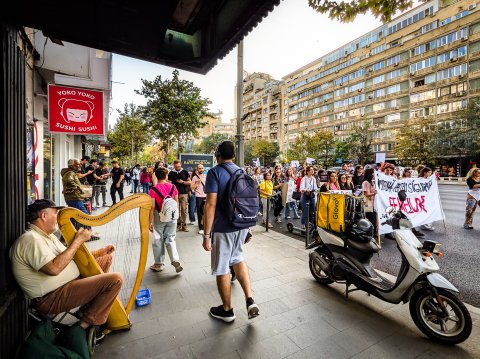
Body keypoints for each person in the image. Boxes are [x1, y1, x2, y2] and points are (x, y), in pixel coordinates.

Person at [10, 199, 122, 338]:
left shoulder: (48, 236)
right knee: (116, 279)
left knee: (106, 259)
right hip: (52, 297)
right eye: (55, 213)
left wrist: (101, 252)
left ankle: (92, 307)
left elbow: (70, 257)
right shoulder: (31, 240)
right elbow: (54, 269)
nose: (58, 217)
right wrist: (78, 240)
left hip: (67, 286)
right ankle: (84, 326)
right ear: (44, 216)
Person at [202, 140, 259, 322]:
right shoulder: (241, 172)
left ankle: (227, 310)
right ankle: (250, 299)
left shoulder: (214, 172)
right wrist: (247, 227)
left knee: (222, 268)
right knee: (238, 258)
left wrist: (206, 235)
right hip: (241, 225)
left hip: (223, 228)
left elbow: (210, 204)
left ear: (217, 154)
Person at [148, 167, 183, 273]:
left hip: (159, 217)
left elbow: (152, 207)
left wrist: (150, 221)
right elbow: (176, 203)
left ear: (156, 176)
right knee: (170, 238)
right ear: (166, 176)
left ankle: (159, 264)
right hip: (172, 216)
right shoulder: (173, 187)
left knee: (158, 239)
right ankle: (175, 259)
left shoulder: (153, 190)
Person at [168, 160, 191, 232]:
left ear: (181, 165)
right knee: (176, 209)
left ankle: (184, 225)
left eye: (179, 166)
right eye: (176, 166)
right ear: (174, 165)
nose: (178, 167)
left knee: (184, 209)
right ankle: (178, 225)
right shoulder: (171, 173)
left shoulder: (185, 172)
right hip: (174, 194)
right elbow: (168, 183)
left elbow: (189, 182)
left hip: (184, 193)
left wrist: (183, 182)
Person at [362, 168, 378, 241]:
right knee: (370, 220)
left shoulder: (372, 182)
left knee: (373, 220)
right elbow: (367, 194)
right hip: (369, 204)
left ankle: (372, 234)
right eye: (373, 173)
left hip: (373, 204)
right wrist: (375, 193)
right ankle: (370, 235)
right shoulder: (366, 182)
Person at [191, 164, 207, 234]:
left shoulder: (206, 176)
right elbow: (192, 188)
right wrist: (197, 183)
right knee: (200, 212)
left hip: (206, 196)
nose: (201, 170)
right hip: (198, 196)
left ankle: (206, 226)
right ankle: (201, 228)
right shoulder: (194, 177)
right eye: (199, 168)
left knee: (206, 212)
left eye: (202, 168)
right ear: (197, 169)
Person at [419, 167, 435, 231]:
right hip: (422, 198)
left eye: (431, 173)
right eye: (428, 172)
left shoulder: (430, 179)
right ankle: (425, 225)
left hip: (429, 198)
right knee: (424, 211)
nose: (430, 174)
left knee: (429, 211)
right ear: (424, 172)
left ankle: (427, 224)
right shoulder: (420, 179)